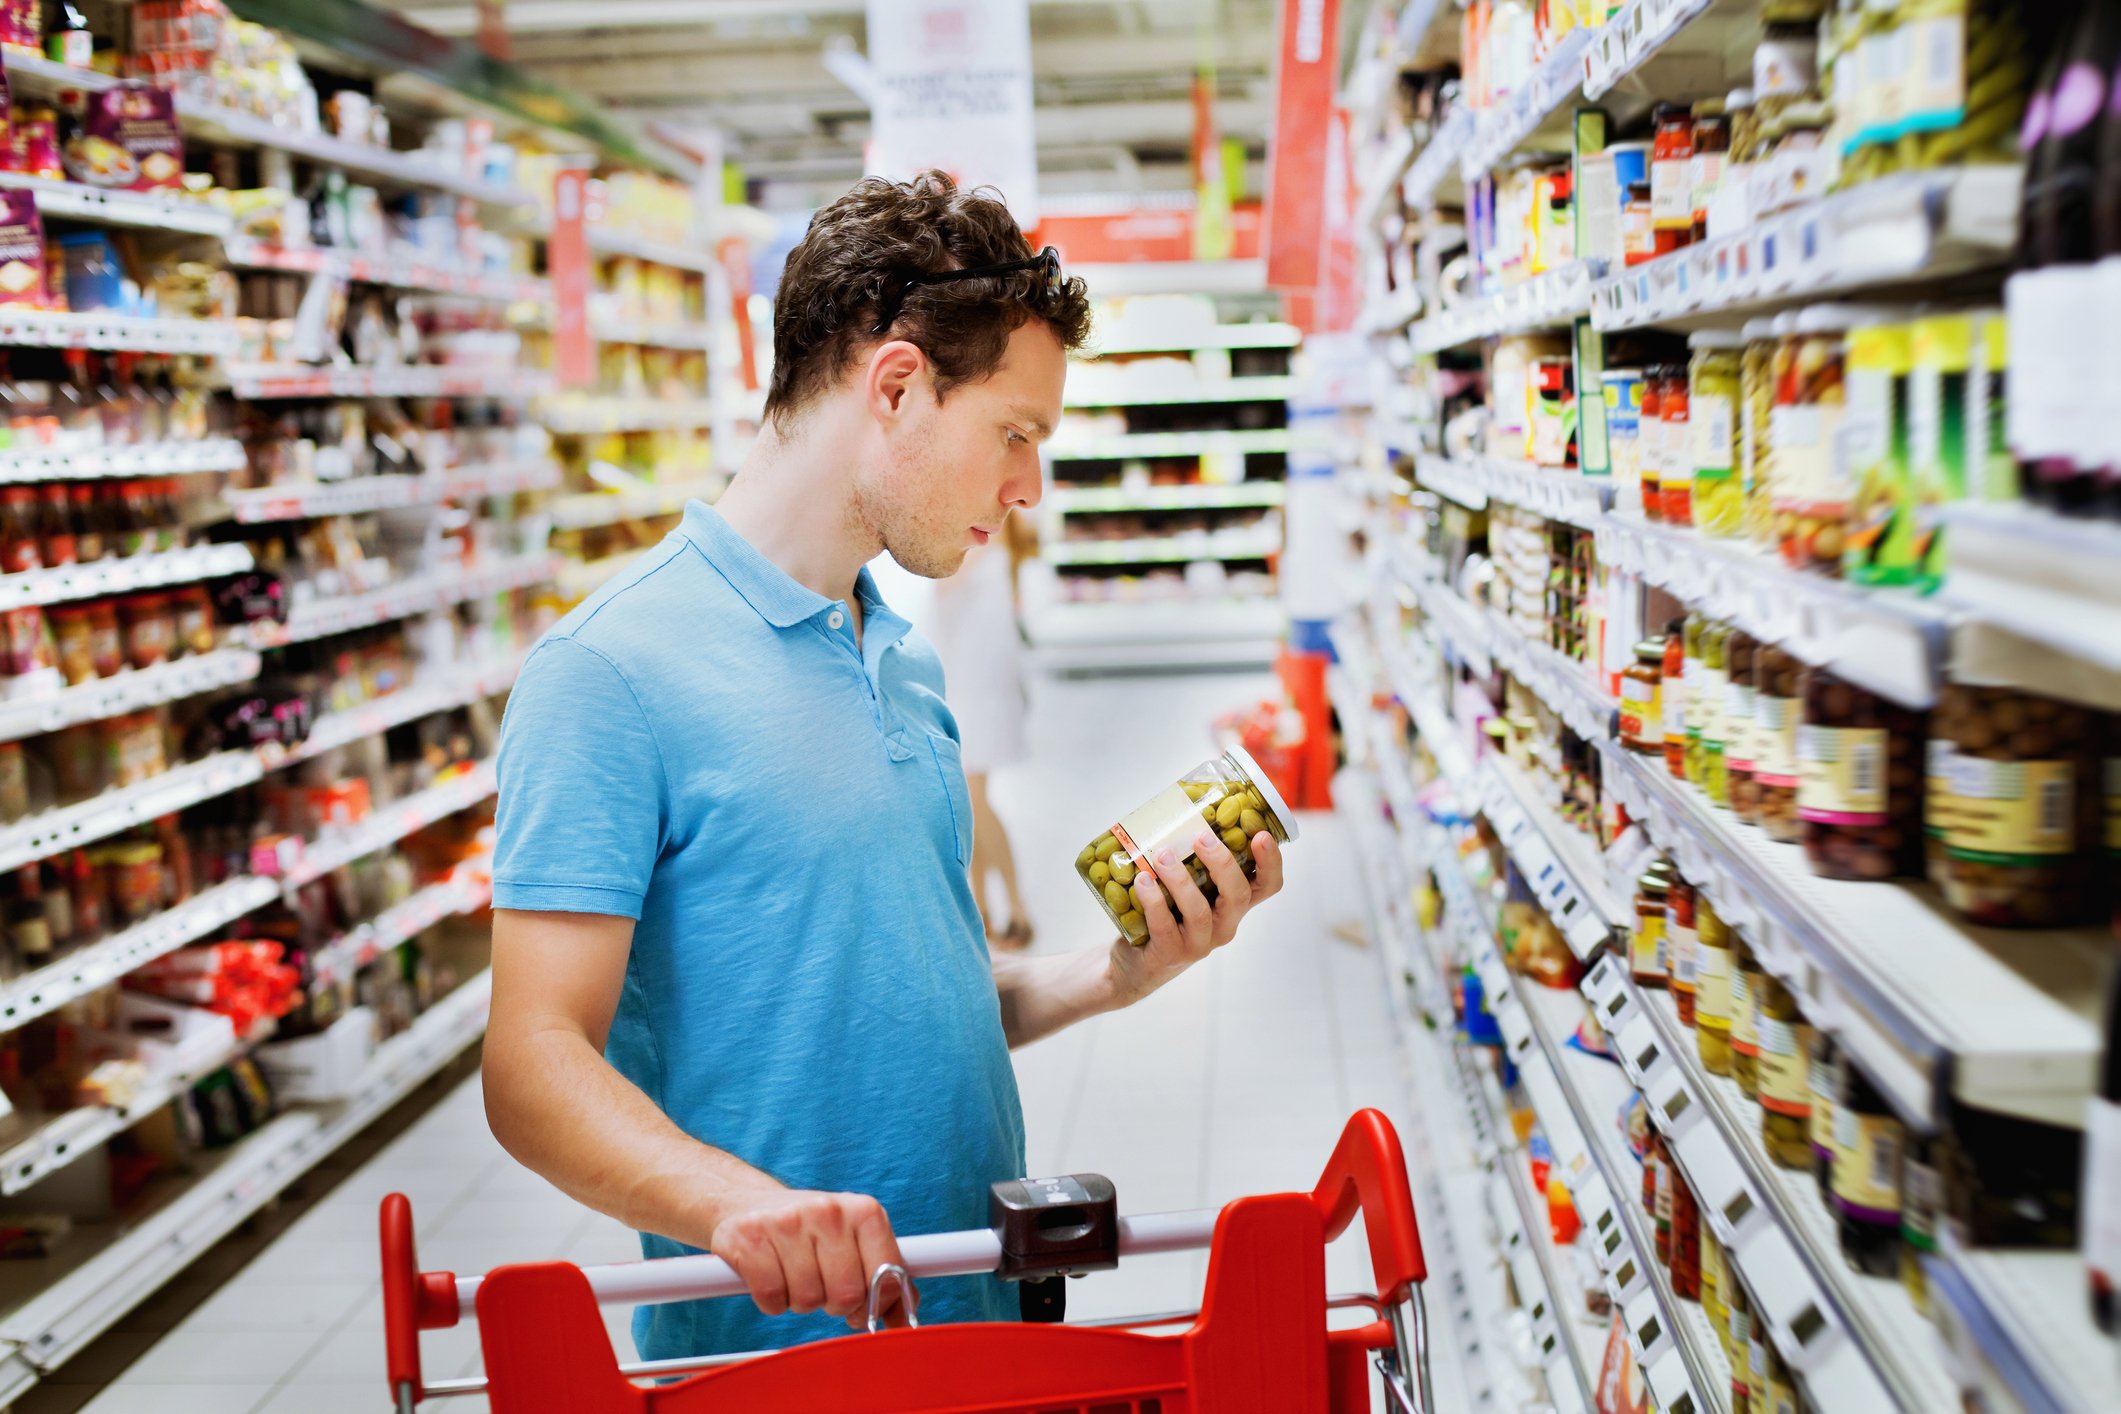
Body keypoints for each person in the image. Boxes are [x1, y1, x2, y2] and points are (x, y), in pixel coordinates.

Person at [483, 172, 1286, 1364]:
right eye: (1016, 434)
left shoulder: (898, 653)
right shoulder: (610, 670)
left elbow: (918, 995)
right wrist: (731, 1205)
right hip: (775, 1359)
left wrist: (1115, 976)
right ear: (899, 386)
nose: (1029, 486)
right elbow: (531, 1063)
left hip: (975, 1315)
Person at [914, 514, 1035, 948]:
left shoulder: (974, 552)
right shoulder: (996, 548)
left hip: (976, 696)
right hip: (975, 693)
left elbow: (939, 583)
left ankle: (1018, 911)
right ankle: (982, 912)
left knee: (976, 806)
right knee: (971, 804)